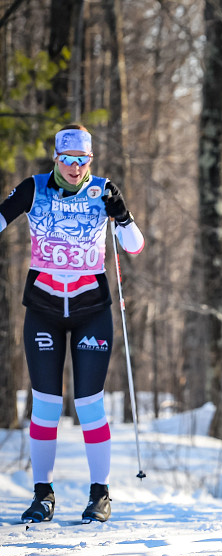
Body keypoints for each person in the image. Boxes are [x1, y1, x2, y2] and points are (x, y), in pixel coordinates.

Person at [0, 125, 145, 523]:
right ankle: (42, 495)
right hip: (44, 308)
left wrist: (123, 215)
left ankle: (100, 494)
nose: (76, 168)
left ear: (90, 161)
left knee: (89, 403)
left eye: (83, 160)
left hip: (90, 309)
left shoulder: (103, 190)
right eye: (68, 160)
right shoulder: (34, 188)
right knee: (45, 404)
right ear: (56, 158)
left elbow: (133, 246)